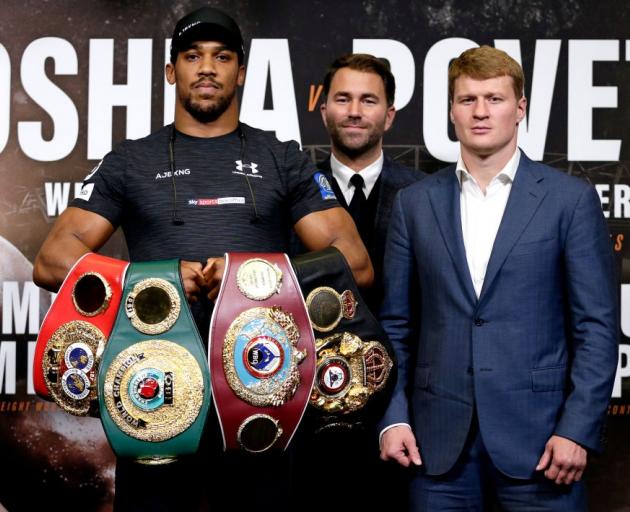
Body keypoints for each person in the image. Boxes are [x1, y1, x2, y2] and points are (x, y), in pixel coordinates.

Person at [33, 6, 372, 511]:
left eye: (222, 56)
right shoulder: (130, 161)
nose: (207, 68)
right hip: (154, 394)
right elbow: (51, 260)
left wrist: (248, 280)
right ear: (172, 72)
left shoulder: (283, 158)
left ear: (241, 71)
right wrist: (157, 281)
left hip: (264, 388)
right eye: (192, 56)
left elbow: (356, 263)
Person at [379, 45, 618, 510]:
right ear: (452, 111)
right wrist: (393, 418)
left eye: (495, 98)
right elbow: (395, 325)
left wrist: (577, 429)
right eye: (468, 100)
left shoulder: (570, 200)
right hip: (435, 448)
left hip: (544, 447)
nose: (481, 112)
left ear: (520, 108)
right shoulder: (414, 204)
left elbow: (597, 327)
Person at [318, 53, 424, 311]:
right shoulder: (297, 188)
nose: (354, 112)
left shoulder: (422, 194)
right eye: (343, 99)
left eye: (368, 100)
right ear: (324, 112)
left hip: (399, 348)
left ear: (389, 116)